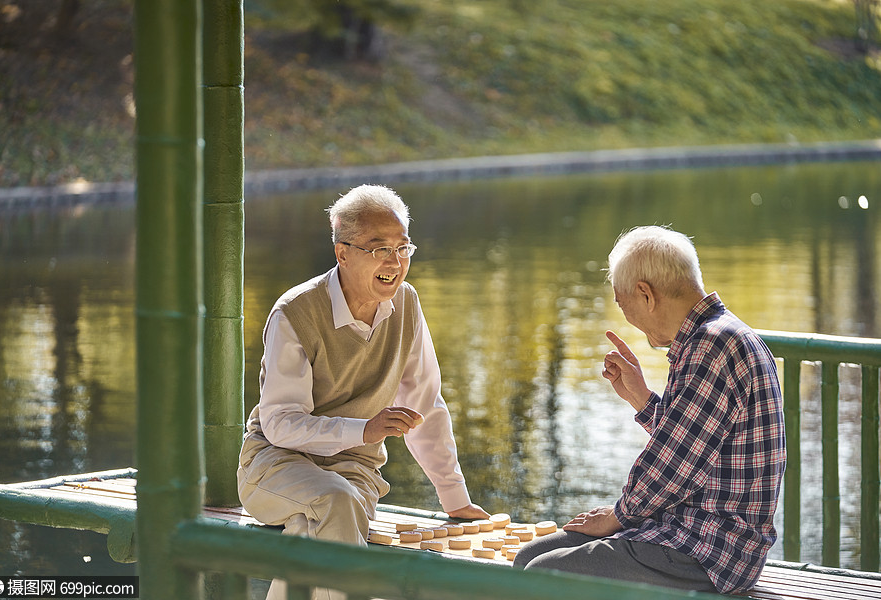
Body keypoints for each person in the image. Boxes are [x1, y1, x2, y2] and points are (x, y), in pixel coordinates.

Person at [237, 184, 488, 600]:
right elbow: (279, 425)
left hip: (355, 472)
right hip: (273, 466)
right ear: (343, 253)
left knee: (313, 526)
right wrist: (363, 430)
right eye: (379, 249)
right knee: (335, 503)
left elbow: (425, 404)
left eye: (403, 248)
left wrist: (454, 497)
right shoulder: (294, 312)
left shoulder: (407, 305)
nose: (395, 261)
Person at [514, 225, 786, 595]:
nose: (627, 317)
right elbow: (698, 444)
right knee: (527, 557)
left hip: (709, 550)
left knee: (544, 573)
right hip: (681, 531)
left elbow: (674, 465)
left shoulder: (713, 345)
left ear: (646, 294)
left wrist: (617, 516)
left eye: (622, 303)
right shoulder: (709, 336)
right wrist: (642, 399)